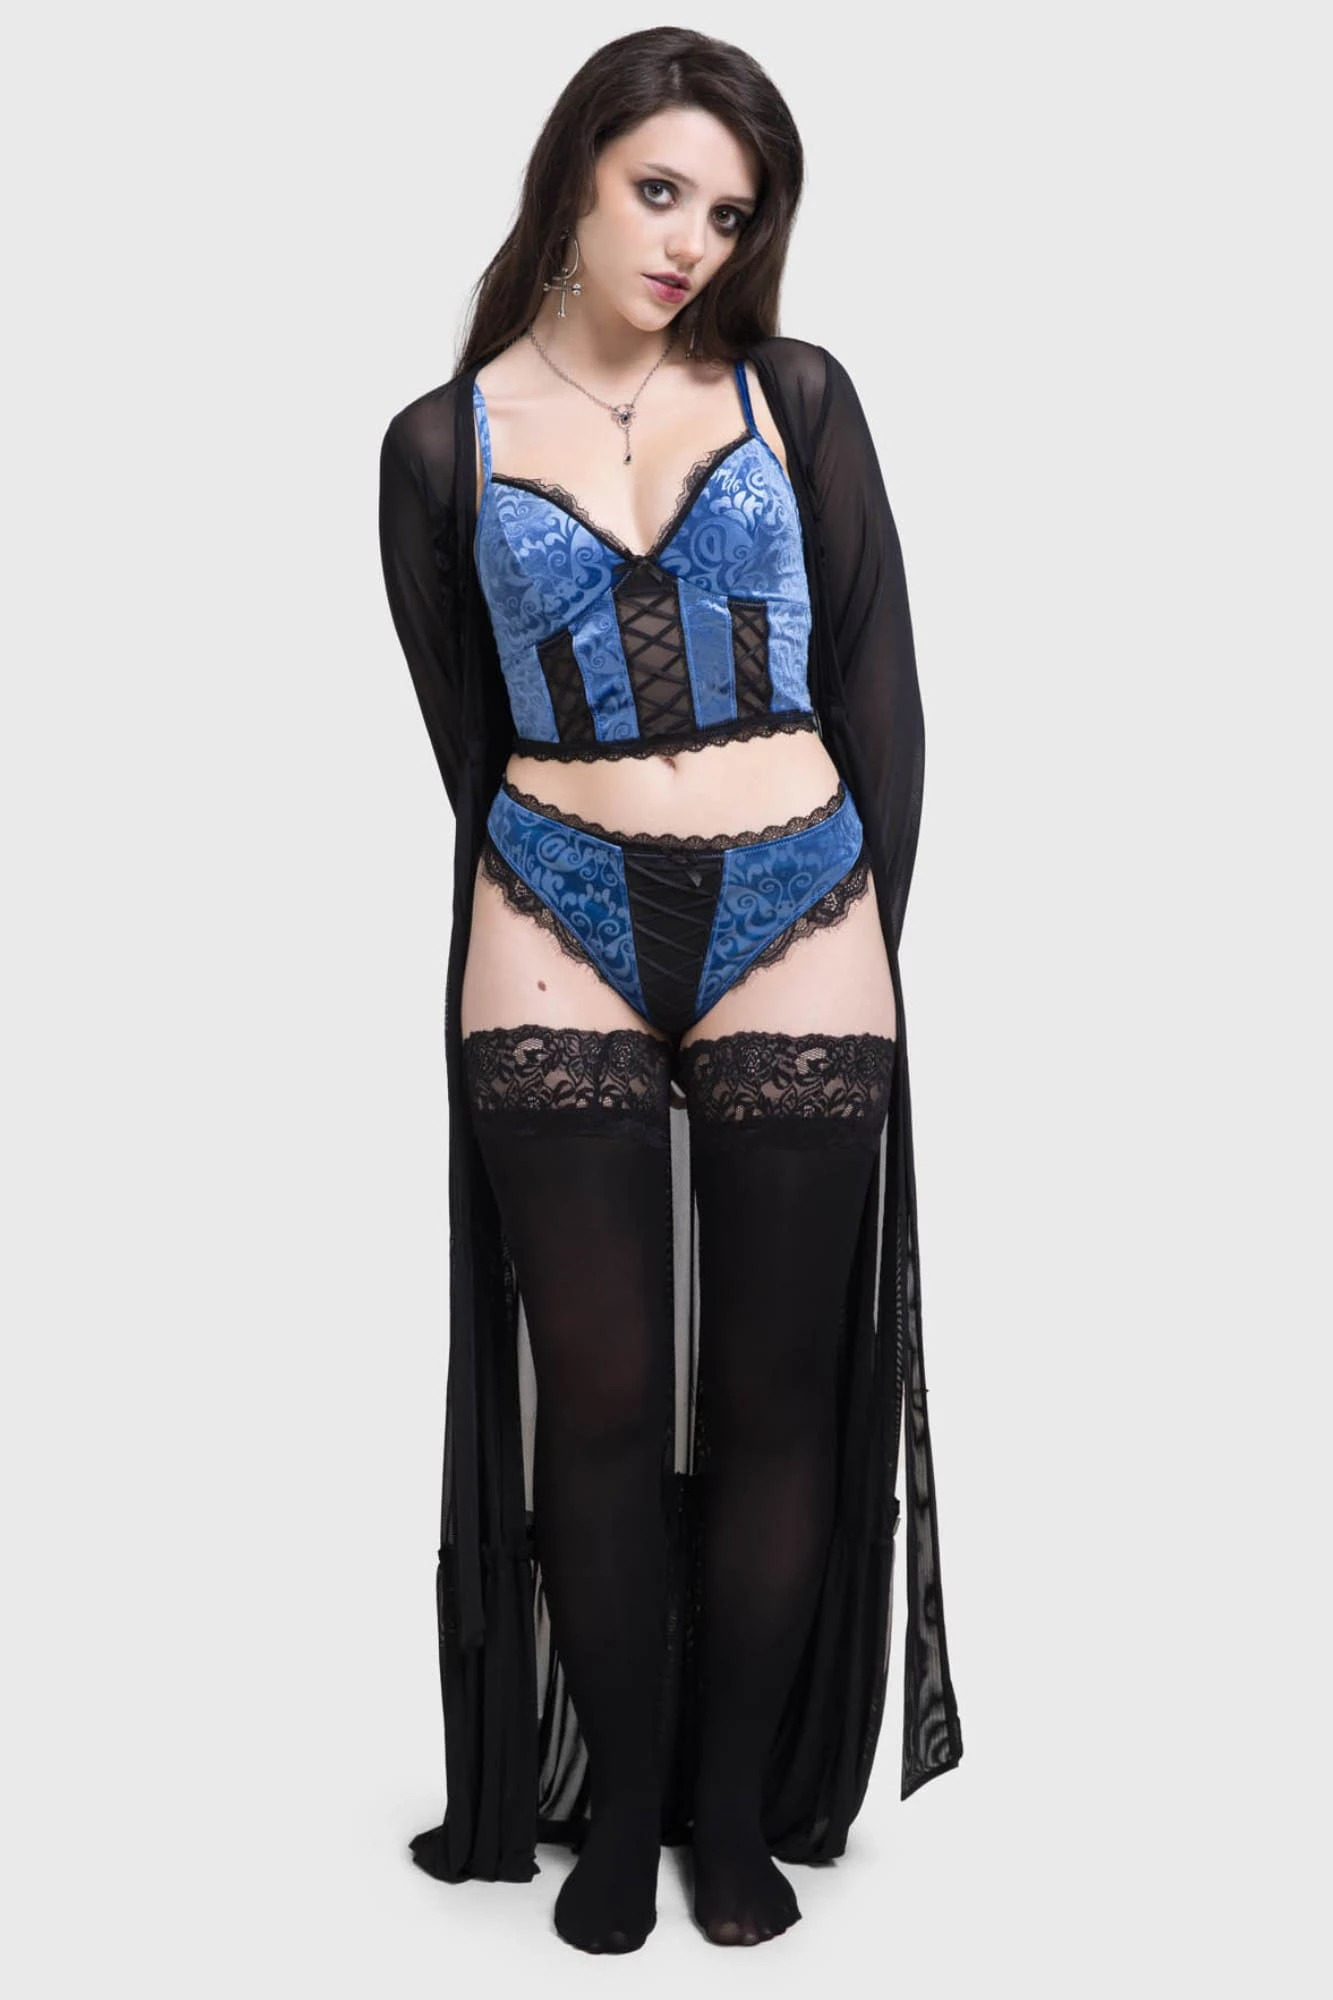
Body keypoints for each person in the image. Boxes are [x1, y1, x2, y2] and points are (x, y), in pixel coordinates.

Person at [377, 23, 963, 1957]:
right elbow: (467, 736)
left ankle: (728, 1812)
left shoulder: (797, 395)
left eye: (729, 211)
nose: (691, 240)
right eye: (660, 190)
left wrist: (860, 923)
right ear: (575, 171)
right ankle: (617, 1811)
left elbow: (882, 698)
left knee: (780, 1398)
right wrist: (545, 874)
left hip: (804, 902)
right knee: (605, 1399)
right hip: (550, 904)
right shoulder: (441, 445)